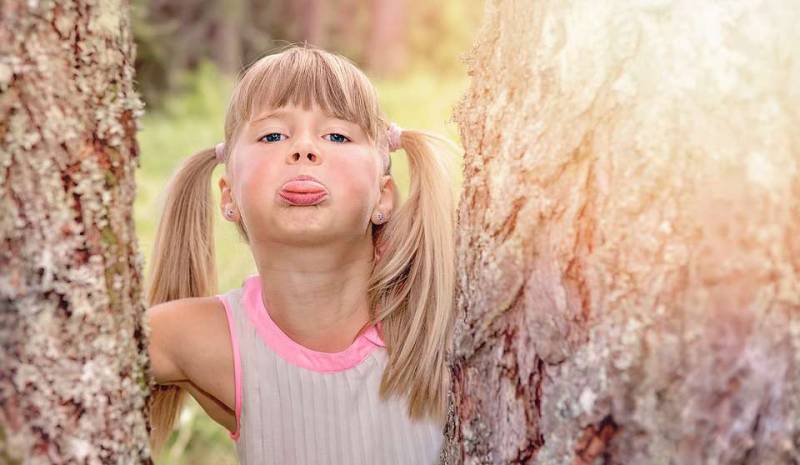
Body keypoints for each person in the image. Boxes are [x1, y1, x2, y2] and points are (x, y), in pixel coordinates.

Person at [144, 42, 459, 464]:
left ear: (383, 196)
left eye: (337, 135)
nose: (304, 150)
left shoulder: (439, 315)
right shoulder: (205, 339)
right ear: (229, 195)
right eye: (273, 135)